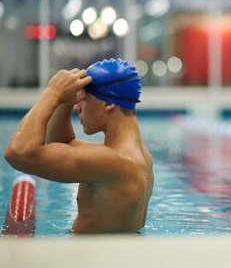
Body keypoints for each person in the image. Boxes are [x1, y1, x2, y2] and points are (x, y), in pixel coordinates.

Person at [4, 58, 154, 234]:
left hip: (92, 258)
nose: (77, 107)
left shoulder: (114, 162)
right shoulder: (137, 155)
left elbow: (18, 153)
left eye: (84, 98)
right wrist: (65, 100)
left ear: (108, 104)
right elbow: (61, 145)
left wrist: (52, 93)